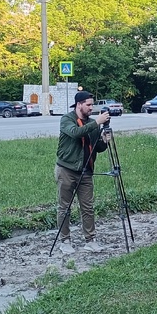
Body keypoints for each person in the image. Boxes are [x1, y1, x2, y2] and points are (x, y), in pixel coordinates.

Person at [55, 90, 112, 254]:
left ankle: (90, 240)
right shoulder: (67, 119)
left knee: (88, 207)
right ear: (79, 104)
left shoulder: (93, 123)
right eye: (88, 105)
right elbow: (75, 133)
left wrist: (104, 141)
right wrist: (97, 123)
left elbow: (96, 147)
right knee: (64, 207)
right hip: (66, 169)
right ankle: (65, 241)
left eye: (92, 105)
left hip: (86, 171)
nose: (91, 108)